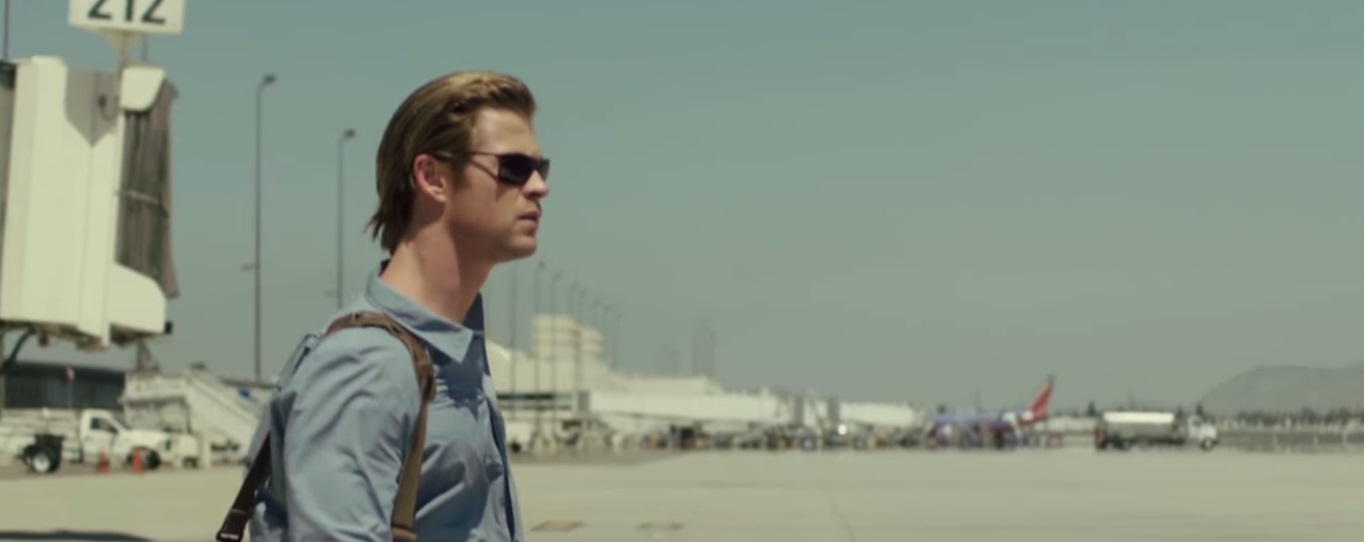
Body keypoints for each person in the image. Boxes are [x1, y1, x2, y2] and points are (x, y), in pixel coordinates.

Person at [246, 71, 549, 541]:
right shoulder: (366, 366)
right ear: (432, 177)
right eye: (514, 168)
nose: (538, 186)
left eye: (540, 167)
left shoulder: (451, 352)